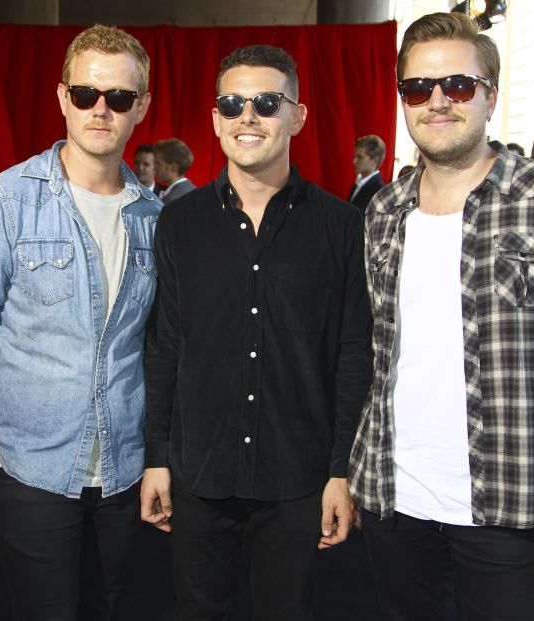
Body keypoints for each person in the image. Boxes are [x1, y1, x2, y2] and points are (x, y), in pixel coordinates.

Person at [349, 13, 534, 621]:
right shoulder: (383, 209)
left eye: (459, 86)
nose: (437, 101)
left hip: (508, 501)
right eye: (418, 88)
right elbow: (370, 354)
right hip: (393, 498)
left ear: (490, 95)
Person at [142, 44, 372, 619]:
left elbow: (351, 355)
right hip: (199, 473)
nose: (248, 116)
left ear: (297, 115)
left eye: (267, 103)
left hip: (298, 476)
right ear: (216, 118)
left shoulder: (341, 226)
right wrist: (157, 457)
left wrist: (341, 470)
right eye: (232, 103)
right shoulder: (179, 221)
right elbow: (165, 345)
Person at [0, 25, 158, 619]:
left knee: (110, 607)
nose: (100, 109)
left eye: (118, 98)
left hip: (124, 467)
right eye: (86, 93)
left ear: (140, 107)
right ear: (62, 97)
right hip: (32, 467)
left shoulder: (155, 218)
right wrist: (16, 404)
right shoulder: (6, 202)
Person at [349, 134, 386, 212]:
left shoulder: (380, 192)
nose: (354, 161)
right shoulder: (356, 186)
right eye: (355, 156)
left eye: (360, 157)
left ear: (374, 160)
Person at [154, 138, 197, 202]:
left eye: (158, 164)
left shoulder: (173, 200)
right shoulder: (193, 191)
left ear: (174, 167)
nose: (154, 168)